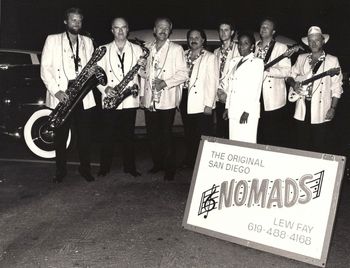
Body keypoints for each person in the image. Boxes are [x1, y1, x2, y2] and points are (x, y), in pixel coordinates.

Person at [41, 7, 96, 183]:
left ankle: (85, 169)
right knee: (61, 135)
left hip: (83, 93)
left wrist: (92, 72)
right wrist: (56, 91)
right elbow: (45, 68)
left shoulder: (87, 41)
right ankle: (60, 170)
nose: (77, 23)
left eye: (79, 20)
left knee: (85, 135)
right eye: (73, 20)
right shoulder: (52, 40)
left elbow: (92, 66)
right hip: (62, 93)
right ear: (66, 21)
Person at [97, 17, 146, 177]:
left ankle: (130, 167)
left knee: (128, 136)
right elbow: (96, 75)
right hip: (110, 98)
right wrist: (105, 88)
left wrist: (144, 67)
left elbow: (143, 74)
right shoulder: (102, 49)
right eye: (116, 28)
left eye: (123, 27)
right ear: (111, 30)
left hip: (129, 99)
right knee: (107, 135)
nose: (120, 31)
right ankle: (104, 167)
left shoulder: (138, 49)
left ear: (128, 29)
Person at [140, 17, 188, 181]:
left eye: (166, 28)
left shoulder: (176, 49)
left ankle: (170, 169)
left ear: (170, 30)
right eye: (160, 27)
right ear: (154, 29)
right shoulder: (148, 48)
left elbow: (183, 74)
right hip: (149, 100)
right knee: (153, 135)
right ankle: (157, 164)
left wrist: (165, 83)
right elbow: (143, 74)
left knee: (166, 135)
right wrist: (141, 93)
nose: (163, 30)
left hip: (166, 99)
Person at [286, 26, 343, 153]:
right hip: (302, 107)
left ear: (323, 41)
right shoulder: (302, 58)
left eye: (317, 40)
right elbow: (289, 75)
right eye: (311, 40)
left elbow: (337, 87)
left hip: (321, 109)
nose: (313, 43)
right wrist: (294, 84)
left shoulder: (332, 60)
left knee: (319, 145)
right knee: (301, 145)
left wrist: (333, 108)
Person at [180, 29, 218, 167]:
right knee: (189, 132)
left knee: (203, 134)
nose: (193, 40)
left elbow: (212, 82)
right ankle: (190, 160)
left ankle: (204, 163)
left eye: (197, 37)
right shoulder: (183, 55)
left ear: (203, 40)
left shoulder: (210, 57)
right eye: (191, 37)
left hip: (202, 101)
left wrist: (209, 104)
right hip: (185, 98)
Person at [255, 18, 291, 146]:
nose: (263, 29)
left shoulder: (281, 47)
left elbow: (287, 71)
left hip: (273, 99)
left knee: (273, 135)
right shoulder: (254, 47)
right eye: (262, 26)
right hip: (255, 97)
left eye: (267, 27)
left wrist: (269, 70)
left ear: (273, 31)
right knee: (258, 134)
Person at [223, 32, 264, 143]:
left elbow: (256, 89)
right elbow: (231, 87)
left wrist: (247, 111)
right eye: (240, 43)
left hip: (247, 111)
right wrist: (227, 107)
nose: (241, 46)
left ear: (252, 46)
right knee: (234, 142)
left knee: (247, 142)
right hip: (234, 109)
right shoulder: (234, 61)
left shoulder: (257, 63)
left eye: (246, 43)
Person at [213, 21, 240, 139]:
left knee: (233, 131)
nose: (223, 33)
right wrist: (219, 91)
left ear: (232, 32)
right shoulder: (216, 52)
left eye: (226, 30)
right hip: (219, 96)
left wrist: (227, 95)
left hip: (233, 97)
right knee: (221, 129)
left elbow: (239, 76)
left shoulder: (239, 49)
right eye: (221, 30)